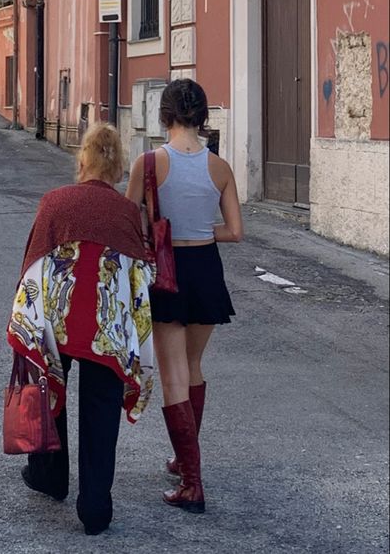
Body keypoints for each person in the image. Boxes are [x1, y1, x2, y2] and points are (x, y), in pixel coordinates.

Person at [7, 123, 154, 536]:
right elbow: (137, 277)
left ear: (82, 160)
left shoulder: (54, 202)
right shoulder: (127, 212)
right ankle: (95, 508)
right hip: (105, 325)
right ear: (119, 167)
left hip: (56, 320)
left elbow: (32, 265)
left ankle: (50, 478)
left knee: (44, 384)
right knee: (101, 407)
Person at [126, 78, 243, 514]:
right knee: (193, 365)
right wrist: (198, 231)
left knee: (172, 371)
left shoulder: (150, 163)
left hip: (167, 271)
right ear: (202, 115)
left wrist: (160, 234)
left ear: (165, 113)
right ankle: (182, 458)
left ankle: (192, 483)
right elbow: (235, 231)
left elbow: (129, 221)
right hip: (206, 269)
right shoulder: (221, 167)